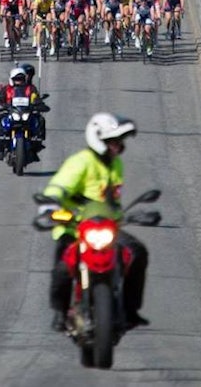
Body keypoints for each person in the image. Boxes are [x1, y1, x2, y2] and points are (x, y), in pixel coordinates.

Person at [43, 112, 148, 332]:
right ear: (97, 139)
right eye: (112, 141)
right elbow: (58, 187)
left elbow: (114, 202)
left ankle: (130, 310)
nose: (117, 146)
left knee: (137, 252)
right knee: (62, 267)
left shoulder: (116, 165)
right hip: (74, 226)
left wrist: (127, 217)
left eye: (119, 141)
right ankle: (60, 312)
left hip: (106, 228)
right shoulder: (81, 162)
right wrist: (50, 206)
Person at [0, 65, 45, 160]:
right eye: (16, 79)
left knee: (40, 119)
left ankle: (38, 141)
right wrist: (0, 104)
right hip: (10, 112)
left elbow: (36, 98)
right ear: (12, 79)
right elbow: (0, 99)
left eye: (21, 78)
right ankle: (0, 147)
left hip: (26, 112)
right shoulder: (6, 89)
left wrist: (38, 103)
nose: (19, 81)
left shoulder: (31, 88)